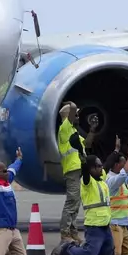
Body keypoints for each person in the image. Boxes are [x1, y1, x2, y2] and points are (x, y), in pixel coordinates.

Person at [50, 155, 114, 255]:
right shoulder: (87, 182)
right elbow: (85, 170)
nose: (101, 168)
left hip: (105, 226)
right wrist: (82, 158)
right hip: (95, 226)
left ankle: (84, 248)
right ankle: (68, 248)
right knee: (89, 254)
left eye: (101, 165)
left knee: (108, 254)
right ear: (91, 169)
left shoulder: (101, 180)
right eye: (98, 166)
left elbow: (108, 164)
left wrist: (116, 151)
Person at [58, 102, 97, 244]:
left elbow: (87, 144)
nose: (78, 117)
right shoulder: (65, 129)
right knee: (71, 201)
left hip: (80, 169)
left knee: (76, 202)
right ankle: (65, 233)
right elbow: (73, 109)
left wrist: (92, 130)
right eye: (76, 115)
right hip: (72, 169)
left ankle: (73, 232)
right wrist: (71, 104)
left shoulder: (74, 133)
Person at [102, 137, 128, 255]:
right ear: (116, 165)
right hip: (115, 223)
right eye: (123, 163)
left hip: (123, 223)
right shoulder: (112, 180)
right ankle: (97, 249)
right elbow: (125, 173)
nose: (126, 165)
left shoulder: (121, 177)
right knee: (116, 254)